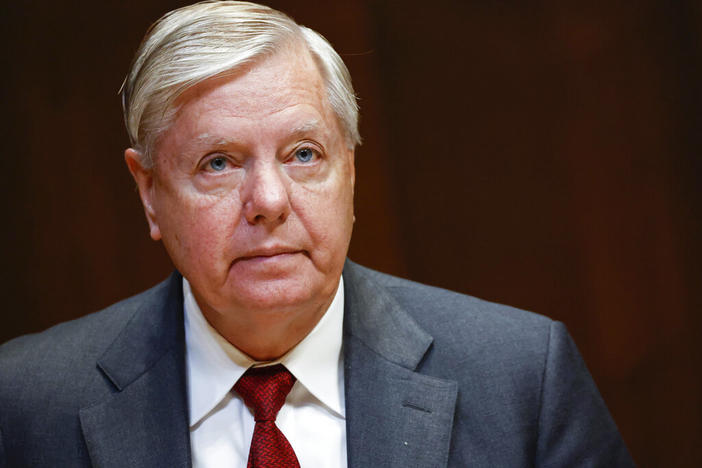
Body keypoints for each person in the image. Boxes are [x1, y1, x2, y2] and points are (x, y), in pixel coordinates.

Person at [0, 1, 635, 467]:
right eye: (218, 162)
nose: (269, 202)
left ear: (350, 171)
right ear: (149, 193)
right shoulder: (25, 403)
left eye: (304, 154)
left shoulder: (522, 378)